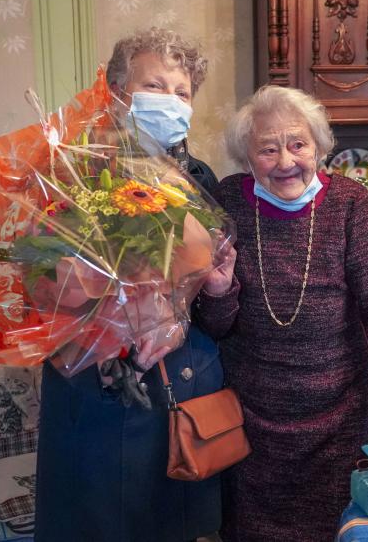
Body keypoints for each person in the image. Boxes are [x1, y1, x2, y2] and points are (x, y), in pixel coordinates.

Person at [195, 85, 368, 541]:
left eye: (298, 144)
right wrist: (219, 292)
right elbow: (214, 328)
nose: (285, 161)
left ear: (318, 147)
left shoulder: (348, 204)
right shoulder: (228, 202)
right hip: (251, 425)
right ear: (247, 155)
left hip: (338, 423)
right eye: (268, 148)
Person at [34, 28, 227, 542]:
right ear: (118, 91)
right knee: (99, 520)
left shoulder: (199, 175)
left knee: (175, 522)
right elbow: (42, 273)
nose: (170, 101)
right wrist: (108, 332)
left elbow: (206, 277)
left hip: (179, 379)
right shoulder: (71, 169)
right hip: (95, 378)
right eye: (155, 85)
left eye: (182, 92)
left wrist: (179, 316)